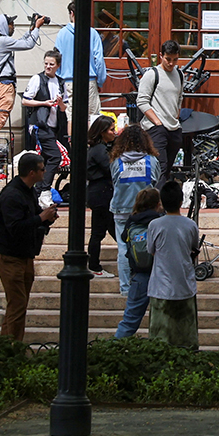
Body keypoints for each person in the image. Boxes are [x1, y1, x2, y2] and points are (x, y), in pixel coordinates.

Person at [0, 151, 61, 340]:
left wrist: (46, 218)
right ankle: (10, 348)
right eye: (42, 169)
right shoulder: (12, 194)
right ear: (32, 173)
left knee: (18, 304)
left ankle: (10, 343)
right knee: (18, 303)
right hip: (8, 255)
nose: (45, 172)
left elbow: (34, 217)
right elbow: (15, 227)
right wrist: (41, 217)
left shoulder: (27, 190)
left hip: (23, 254)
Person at [107, 122, 163, 295]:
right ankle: (150, 285)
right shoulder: (151, 160)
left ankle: (125, 288)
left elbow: (114, 180)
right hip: (147, 211)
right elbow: (156, 179)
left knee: (123, 248)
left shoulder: (117, 161)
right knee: (150, 247)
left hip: (122, 209)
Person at [146, 180, 201, 349]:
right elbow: (193, 247)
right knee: (186, 338)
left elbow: (150, 250)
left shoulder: (154, 225)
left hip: (160, 286)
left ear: (161, 202)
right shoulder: (190, 225)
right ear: (180, 201)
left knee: (160, 340)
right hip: (185, 285)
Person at [0, 13, 47, 148]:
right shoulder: (2, 41)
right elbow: (28, 44)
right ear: (4, 26)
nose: (13, 27)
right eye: (11, 24)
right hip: (5, 86)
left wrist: (31, 29)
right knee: (0, 118)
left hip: (1, 85)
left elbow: (21, 41)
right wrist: (37, 28)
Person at [113, 187, 166, 338]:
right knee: (164, 319)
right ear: (157, 203)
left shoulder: (132, 221)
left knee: (130, 319)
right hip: (161, 275)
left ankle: (115, 348)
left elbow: (124, 238)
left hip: (139, 276)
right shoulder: (159, 220)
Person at [52, 2, 107, 125]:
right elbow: (99, 59)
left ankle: (72, 143)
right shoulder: (92, 33)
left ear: (71, 13)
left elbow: (57, 58)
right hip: (89, 80)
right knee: (92, 116)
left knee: (70, 115)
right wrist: (100, 80)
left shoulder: (62, 34)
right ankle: (90, 143)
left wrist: (59, 80)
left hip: (68, 81)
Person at [136, 41, 187, 172]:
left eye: (175, 60)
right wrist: (157, 122)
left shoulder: (180, 75)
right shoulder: (152, 74)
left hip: (174, 127)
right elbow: (141, 101)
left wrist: (176, 116)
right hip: (156, 128)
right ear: (161, 56)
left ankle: (160, 192)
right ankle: (155, 192)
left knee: (168, 167)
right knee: (160, 166)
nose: (171, 63)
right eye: (168, 59)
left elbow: (180, 97)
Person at [82, 114, 117, 276]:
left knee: (113, 230)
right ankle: (94, 266)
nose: (114, 132)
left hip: (102, 194)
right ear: (102, 132)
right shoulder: (99, 150)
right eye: (111, 130)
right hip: (101, 195)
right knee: (98, 232)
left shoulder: (100, 148)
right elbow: (111, 169)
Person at [20, 51, 67, 169]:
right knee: (55, 156)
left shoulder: (61, 82)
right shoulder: (37, 79)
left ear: (58, 65)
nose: (48, 67)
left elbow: (64, 107)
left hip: (54, 126)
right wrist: (44, 103)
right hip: (39, 125)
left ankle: (41, 185)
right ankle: (44, 185)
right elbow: (25, 101)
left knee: (45, 158)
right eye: (46, 63)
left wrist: (60, 103)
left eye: (51, 64)